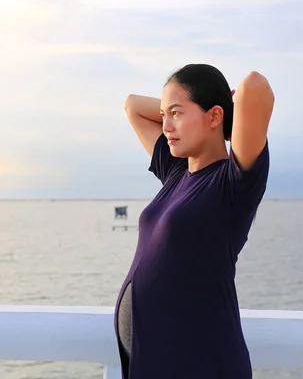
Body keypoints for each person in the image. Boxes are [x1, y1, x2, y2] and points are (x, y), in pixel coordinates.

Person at [114, 64, 274, 379]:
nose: (166, 125)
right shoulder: (176, 173)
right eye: (164, 115)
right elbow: (132, 105)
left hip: (200, 359)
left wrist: (232, 110)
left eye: (176, 113)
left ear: (215, 116)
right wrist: (175, 108)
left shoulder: (233, 184)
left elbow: (255, 86)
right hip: (156, 359)